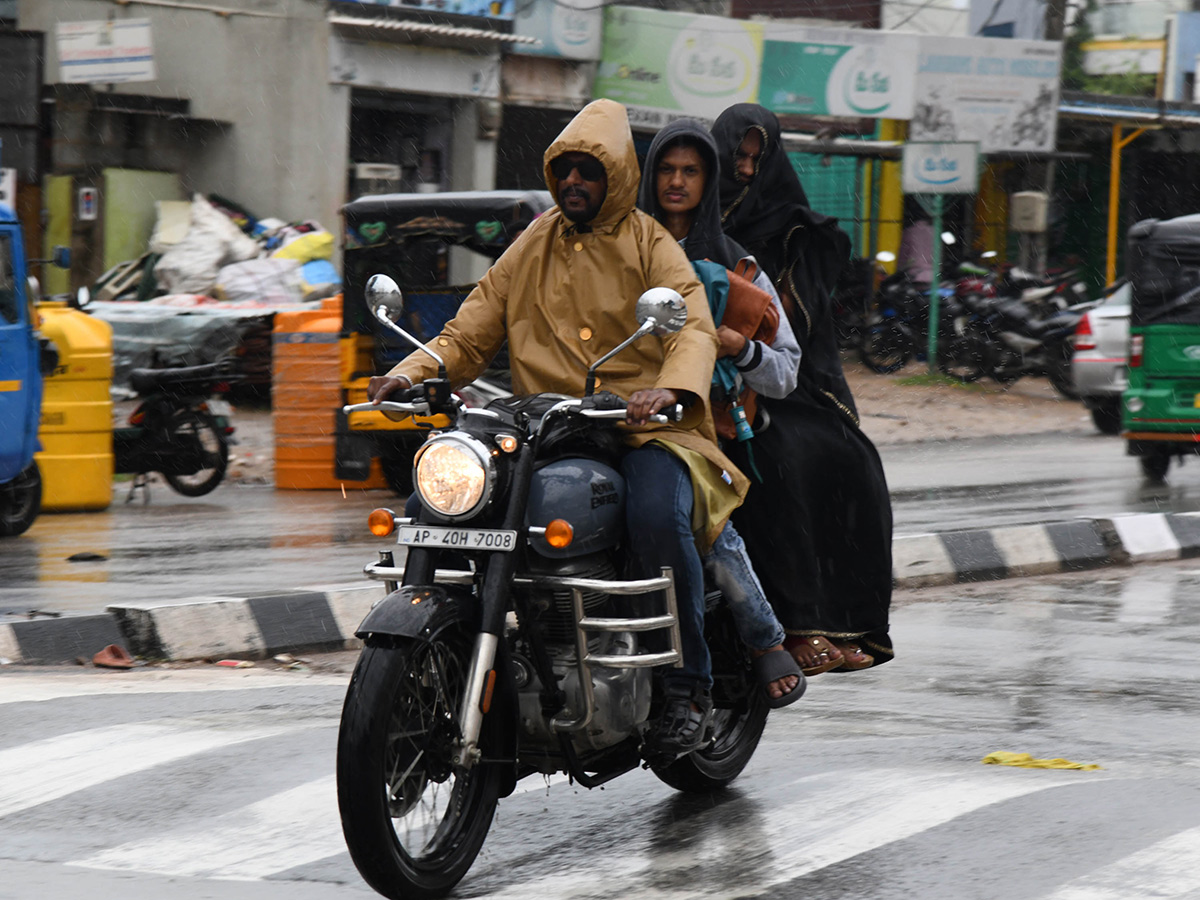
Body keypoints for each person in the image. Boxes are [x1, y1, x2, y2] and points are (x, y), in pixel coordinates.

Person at [369, 99, 764, 755]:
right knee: (431, 502)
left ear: (614, 176)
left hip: (642, 428)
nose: (575, 183)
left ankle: (686, 689)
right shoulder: (535, 242)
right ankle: (431, 665)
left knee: (658, 517)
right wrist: (410, 373)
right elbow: (471, 326)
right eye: (566, 171)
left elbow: (690, 325)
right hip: (545, 428)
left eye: (590, 171)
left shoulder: (649, 242)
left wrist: (667, 389)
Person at [710, 103, 894, 675]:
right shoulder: (687, 225)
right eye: (733, 157)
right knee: (780, 460)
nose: (742, 170)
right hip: (705, 387)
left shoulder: (791, 228)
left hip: (772, 380)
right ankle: (795, 623)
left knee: (852, 458)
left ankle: (848, 620)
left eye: (753, 159)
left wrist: (759, 325)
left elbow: (798, 328)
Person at [636, 117, 804, 705]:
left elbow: (786, 372)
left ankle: (760, 638)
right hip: (617, 416)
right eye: (666, 169)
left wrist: (742, 347)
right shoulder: (616, 250)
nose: (676, 182)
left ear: (709, 182)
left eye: (691, 171)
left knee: (700, 521)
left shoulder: (739, 268)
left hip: (697, 427)